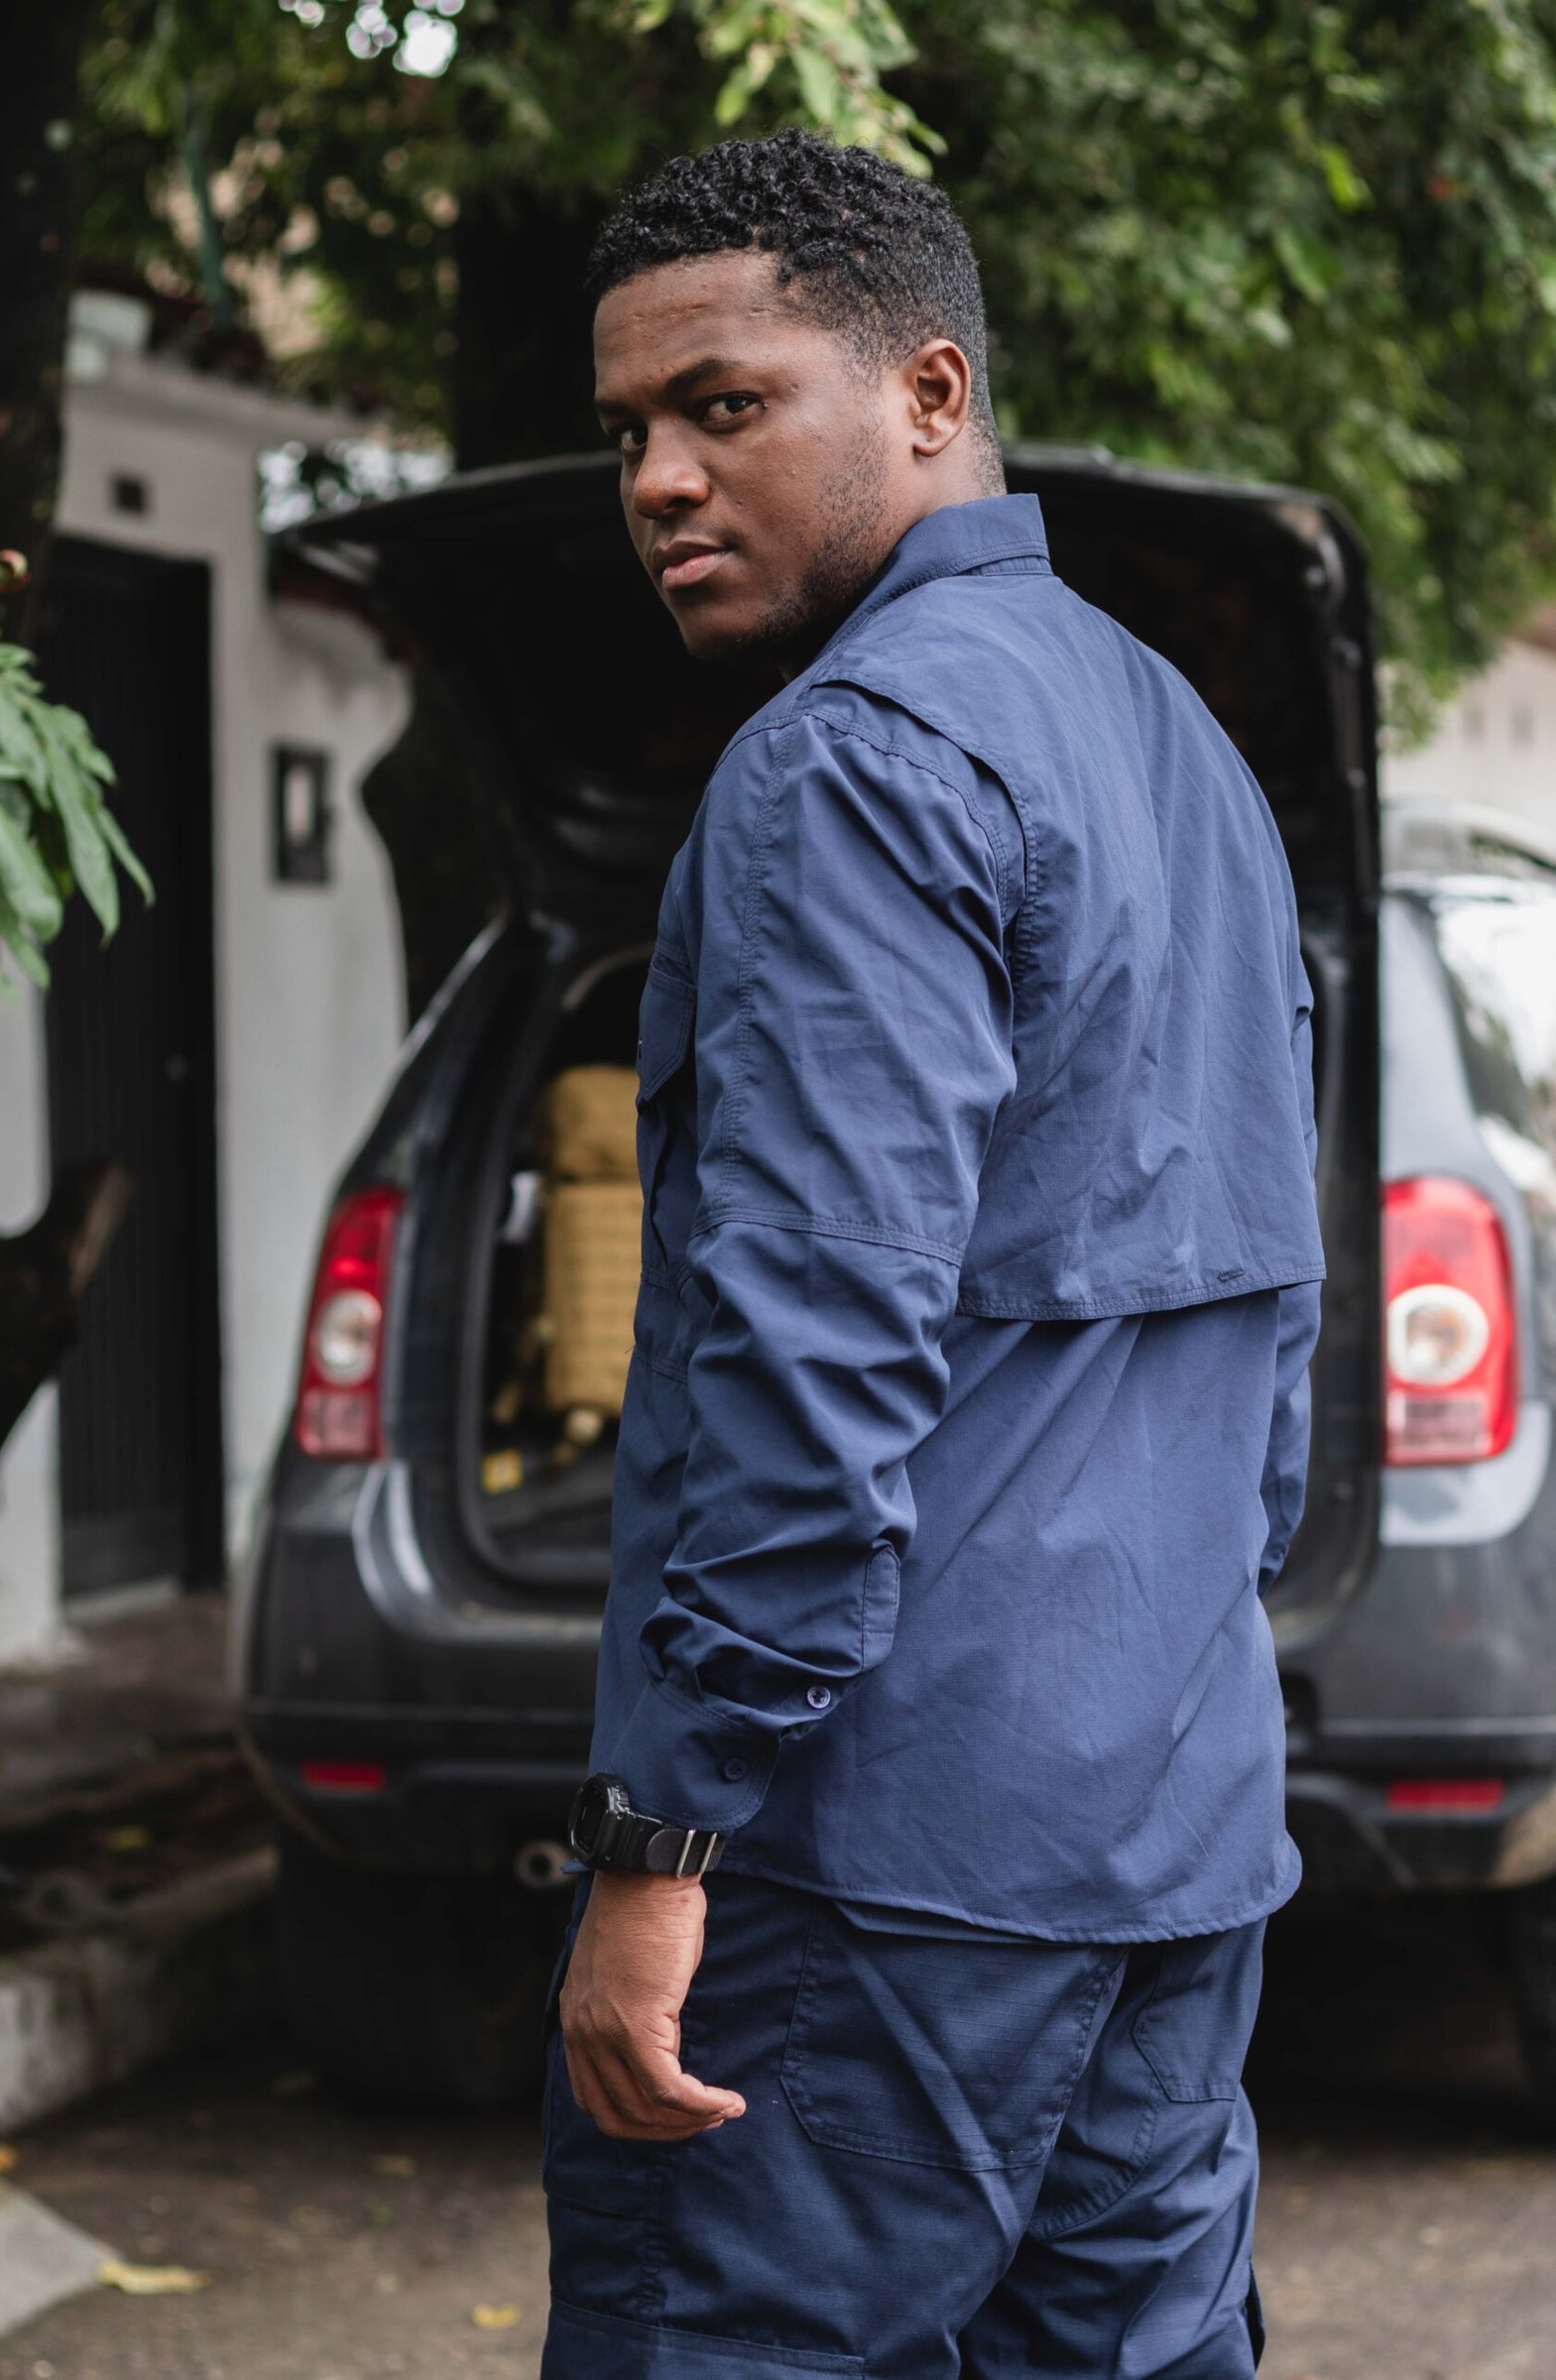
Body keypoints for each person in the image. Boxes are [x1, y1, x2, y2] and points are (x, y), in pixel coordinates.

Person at [544, 130, 1323, 2380]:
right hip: (1170, 1834)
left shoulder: (844, 763)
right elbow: (1272, 1334)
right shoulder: (1178, 743)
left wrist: (660, 1842)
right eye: (628, 431)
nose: (659, 480)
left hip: (862, 1873)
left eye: (723, 403)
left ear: (928, 390)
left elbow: (813, 1359)